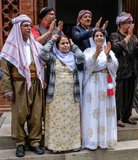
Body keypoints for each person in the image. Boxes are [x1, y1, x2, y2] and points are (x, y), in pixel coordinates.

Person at [0, 14, 45, 157]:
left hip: (36, 84)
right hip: (19, 85)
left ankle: (35, 142)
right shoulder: (10, 48)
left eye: (29, 26)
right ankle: (20, 143)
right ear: (18, 28)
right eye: (25, 26)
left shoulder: (35, 45)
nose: (28, 28)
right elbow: (5, 71)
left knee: (36, 115)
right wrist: (7, 89)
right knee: (19, 115)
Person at [40, 35, 84, 152]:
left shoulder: (74, 57)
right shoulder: (53, 57)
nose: (65, 46)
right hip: (56, 94)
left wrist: (74, 45)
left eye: (67, 43)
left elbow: (82, 56)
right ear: (57, 46)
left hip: (71, 94)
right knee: (57, 120)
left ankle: (73, 145)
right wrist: (52, 40)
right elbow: (42, 53)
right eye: (62, 43)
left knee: (71, 119)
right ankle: (56, 146)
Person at [81, 29, 118, 150]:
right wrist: (96, 53)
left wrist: (107, 55)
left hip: (105, 83)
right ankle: (91, 140)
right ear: (92, 38)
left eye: (101, 35)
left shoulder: (110, 52)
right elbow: (88, 66)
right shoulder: (87, 51)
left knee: (105, 110)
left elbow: (115, 67)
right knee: (93, 109)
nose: (99, 38)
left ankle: (104, 140)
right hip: (92, 84)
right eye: (96, 36)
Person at [109, 12, 138, 127]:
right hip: (121, 70)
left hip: (132, 70)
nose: (131, 24)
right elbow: (116, 49)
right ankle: (118, 118)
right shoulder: (114, 35)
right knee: (120, 96)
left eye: (131, 22)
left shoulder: (134, 37)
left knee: (130, 96)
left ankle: (126, 116)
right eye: (128, 22)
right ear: (121, 23)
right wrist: (129, 36)